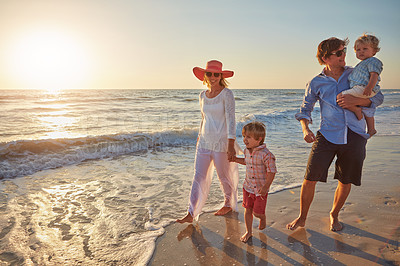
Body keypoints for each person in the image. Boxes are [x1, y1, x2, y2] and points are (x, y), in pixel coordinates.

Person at [286, 37, 384, 232]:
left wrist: (354, 103)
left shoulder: (355, 72)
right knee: (310, 177)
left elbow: (378, 97)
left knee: (345, 179)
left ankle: (334, 214)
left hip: (355, 134)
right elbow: (305, 110)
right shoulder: (316, 82)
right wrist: (306, 129)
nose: (344, 56)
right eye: (339, 53)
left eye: (344, 51)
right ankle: (302, 217)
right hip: (327, 134)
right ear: (325, 58)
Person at [176, 60, 239, 223]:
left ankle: (228, 204)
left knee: (223, 175)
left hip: (221, 142)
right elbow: (204, 119)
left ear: (221, 76)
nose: (212, 77)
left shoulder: (227, 94)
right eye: (209, 74)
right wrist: (198, 137)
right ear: (205, 75)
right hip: (204, 142)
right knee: (198, 177)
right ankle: (191, 212)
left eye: (216, 74)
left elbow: (231, 120)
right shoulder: (202, 95)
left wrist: (231, 144)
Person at [230, 122, 276, 242]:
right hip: (248, 187)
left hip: (260, 190)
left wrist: (266, 187)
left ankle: (263, 218)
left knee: (257, 213)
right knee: (247, 209)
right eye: (244, 136)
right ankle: (248, 232)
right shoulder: (246, 151)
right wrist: (235, 159)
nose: (244, 139)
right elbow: (247, 162)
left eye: (248, 137)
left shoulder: (266, 155)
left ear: (259, 139)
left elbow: (272, 171)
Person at [340, 34, 383, 137]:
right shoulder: (362, 64)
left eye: (365, 49)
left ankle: (356, 109)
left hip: (364, 88)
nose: (361, 51)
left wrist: (369, 87)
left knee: (341, 97)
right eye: (358, 50)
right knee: (368, 110)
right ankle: (371, 129)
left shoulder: (373, 61)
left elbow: (374, 75)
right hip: (361, 88)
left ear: (374, 51)